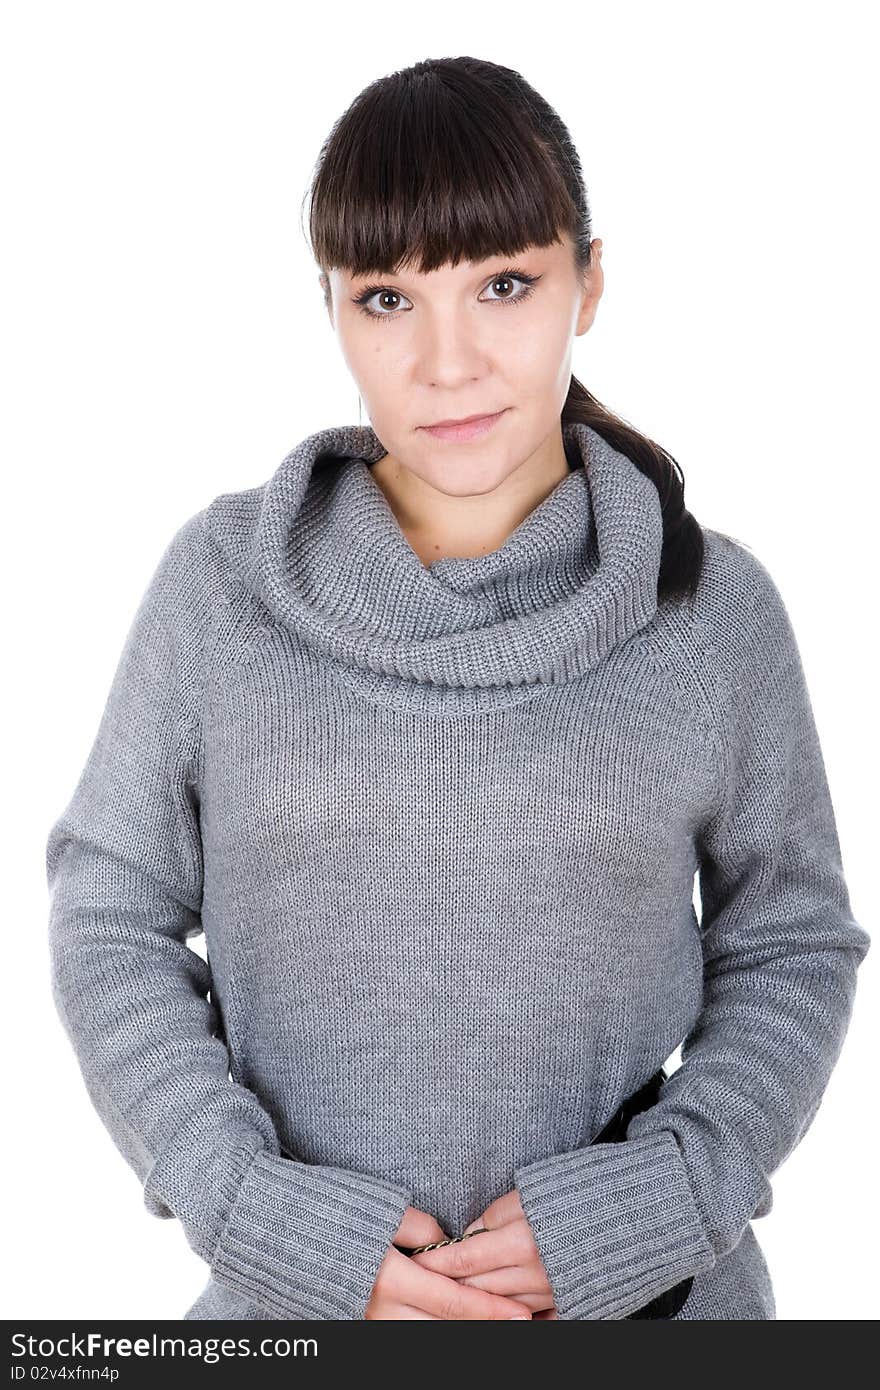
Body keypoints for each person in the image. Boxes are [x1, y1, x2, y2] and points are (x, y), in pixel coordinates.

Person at [45, 55, 870, 1322]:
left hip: (661, 1308)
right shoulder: (221, 588)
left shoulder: (712, 609)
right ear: (328, 306)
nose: (447, 361)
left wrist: (665, 1193)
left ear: (588, 281)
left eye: (503, 285)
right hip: (287, 1319)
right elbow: (109, 916)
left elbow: (791, 940)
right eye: (386, 298)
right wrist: (252, 1208)